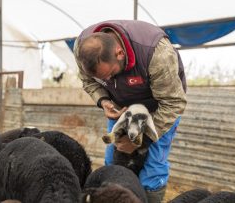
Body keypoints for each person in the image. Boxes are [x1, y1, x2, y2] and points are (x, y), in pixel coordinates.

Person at [73, 20, 187, 203]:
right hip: (121, 109)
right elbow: (88, 81)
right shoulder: (82, 49)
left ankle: (149, 198)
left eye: (110, 73)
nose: (108, 80)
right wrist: (103, 100)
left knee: (153, 166)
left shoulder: (156, 53)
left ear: (119, 53)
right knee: (113, 160)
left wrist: (142, 141)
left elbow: (173, 103)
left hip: (159, 110)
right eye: (103, 79)